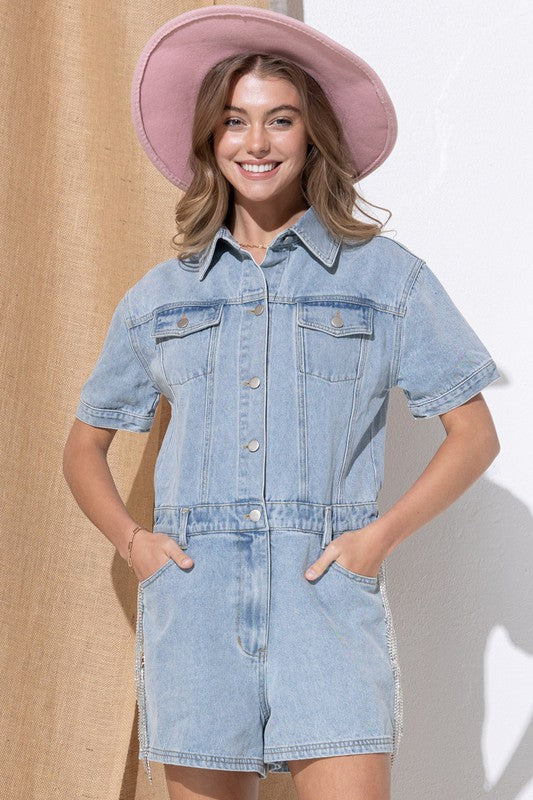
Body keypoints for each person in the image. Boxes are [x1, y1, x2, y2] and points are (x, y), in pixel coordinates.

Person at [62, 6, 501, 800]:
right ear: (210, 139)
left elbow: (473, 435)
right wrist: (135, 544)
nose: (255, 142)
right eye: (234, 120)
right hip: (196, 604)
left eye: (280, 120)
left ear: (311, 136)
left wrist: (377, 538)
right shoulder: (161, 297)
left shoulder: (384, 278)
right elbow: (83, 446)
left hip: (324, 598)